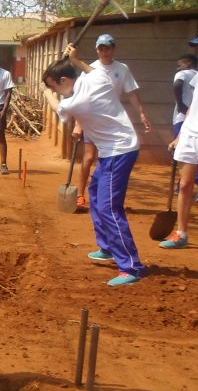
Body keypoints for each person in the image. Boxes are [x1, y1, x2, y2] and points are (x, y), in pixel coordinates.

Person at [42, 55, 145, 286]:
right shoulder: (97, 77)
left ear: (65, 80)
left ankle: (131, 266)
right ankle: (108, 247)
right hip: (114, 149)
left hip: (119, 151)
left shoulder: (78, 100)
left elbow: (60, 110)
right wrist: (75, 59)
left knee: (109, 208)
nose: (55, 91)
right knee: (96, 193)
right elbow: (88, 69)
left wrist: (46, 94)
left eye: (54, 86)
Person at [68, 34, 151, 209]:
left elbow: (132, 93)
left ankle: (110, 198)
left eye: (107, 48)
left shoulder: (122, 69)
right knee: (89, 158)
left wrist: (142, 113)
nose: (104, 52)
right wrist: (78, 124)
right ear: (97, 50)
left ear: (114, 49)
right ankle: (81, 195)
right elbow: (80, 98)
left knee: (109, 160)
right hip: (92, 121)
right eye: (101, 48)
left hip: (112, 124)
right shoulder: (89, 69)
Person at [159, 29, 198, 255]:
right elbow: (194, 105)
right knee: (185, 185)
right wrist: (180, 134)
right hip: (191, 134)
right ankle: (181, 233)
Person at [171, 52, 198, 202]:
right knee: (189, 151)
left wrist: (181, 105)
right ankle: (182, 182)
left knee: (183, 153)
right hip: (196, 118)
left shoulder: (184, 73)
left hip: (183, 118)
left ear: (188, 64)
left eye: (179, 65)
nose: (177, 68)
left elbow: (177, 84)